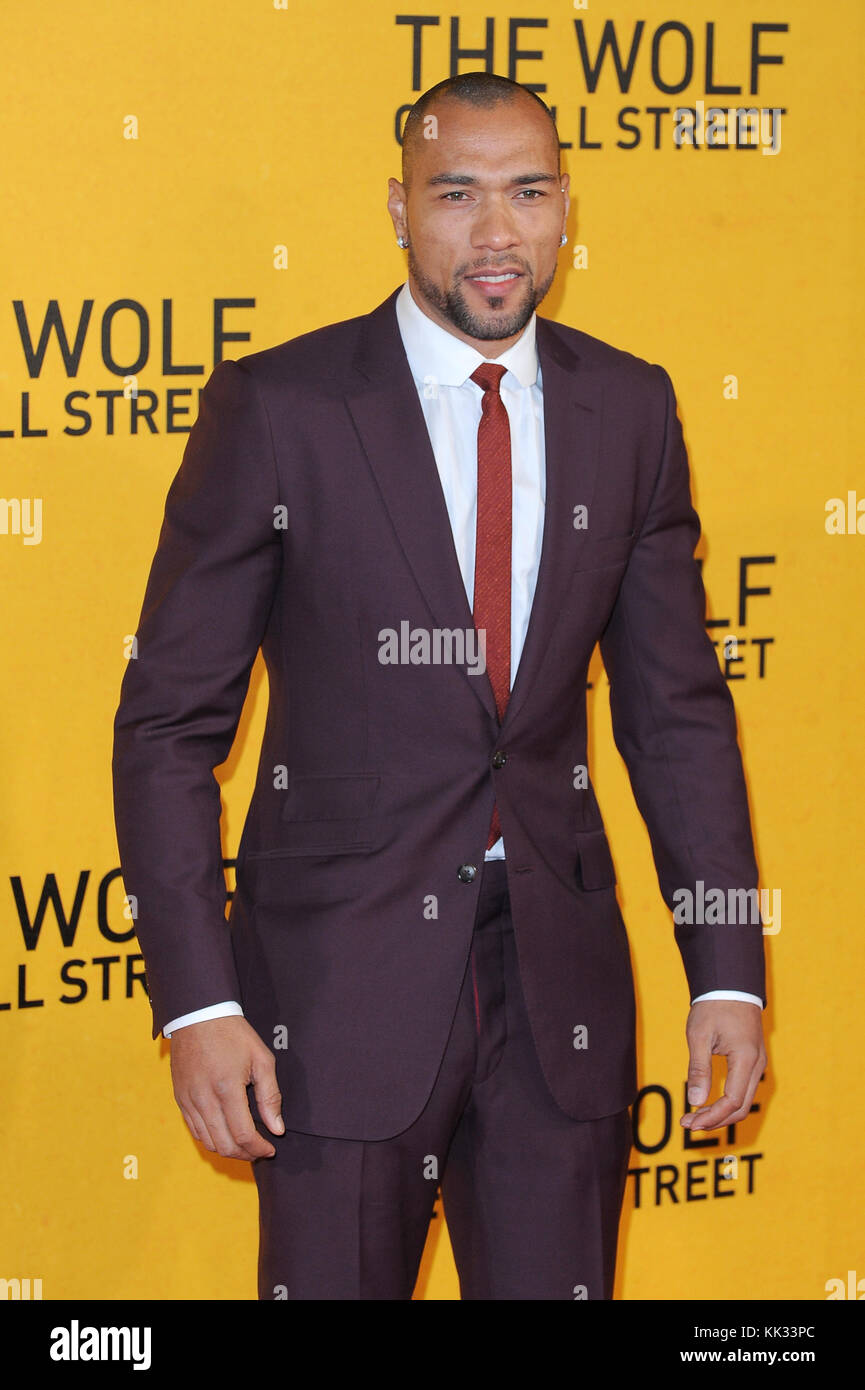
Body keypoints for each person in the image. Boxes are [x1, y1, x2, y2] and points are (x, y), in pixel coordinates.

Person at [112, 71, 768, 1301]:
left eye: (526, 192)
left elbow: (675, 711)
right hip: (331, 1003)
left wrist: (724, 971)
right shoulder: (282, 407)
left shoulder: (628, 408)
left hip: (559, 1006)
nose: (496, 232)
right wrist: (197, 1002)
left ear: (568, 208)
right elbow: (165, 727)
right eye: (455, 194)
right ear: (399, 211)